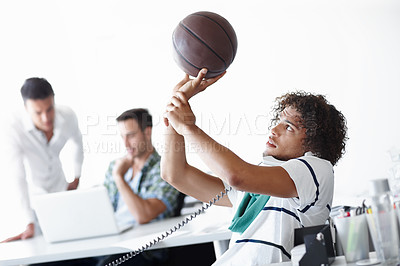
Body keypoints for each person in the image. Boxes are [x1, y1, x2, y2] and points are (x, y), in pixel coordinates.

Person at [161, 69, 348, 265]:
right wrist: (176, 103)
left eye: (288, 127)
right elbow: (174, 175)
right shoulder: (253, 190)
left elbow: (237, 176)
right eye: (278, 122)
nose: (274, 130)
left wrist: (188, 128)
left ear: (314, 145)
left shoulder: (317, 169)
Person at [1, 77, 84, 243]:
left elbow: (78, 144)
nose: (46, 118)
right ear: (26, 108)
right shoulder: (12, 127)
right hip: (35, 198)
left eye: (50, 109)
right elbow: (17, 176)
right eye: (38, 113)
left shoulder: (67, 116)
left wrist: (77, 176)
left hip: (62, 191)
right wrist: (28, 221)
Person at [97, 108, 183, 266]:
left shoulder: (166, 168)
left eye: (130, 135)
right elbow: (100, 212)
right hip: (111, 242)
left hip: (144, 251)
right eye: (122, 137)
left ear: (147, 132)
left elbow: (143, 215)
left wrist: (119, 178)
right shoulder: (114, 166)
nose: (125, 143)